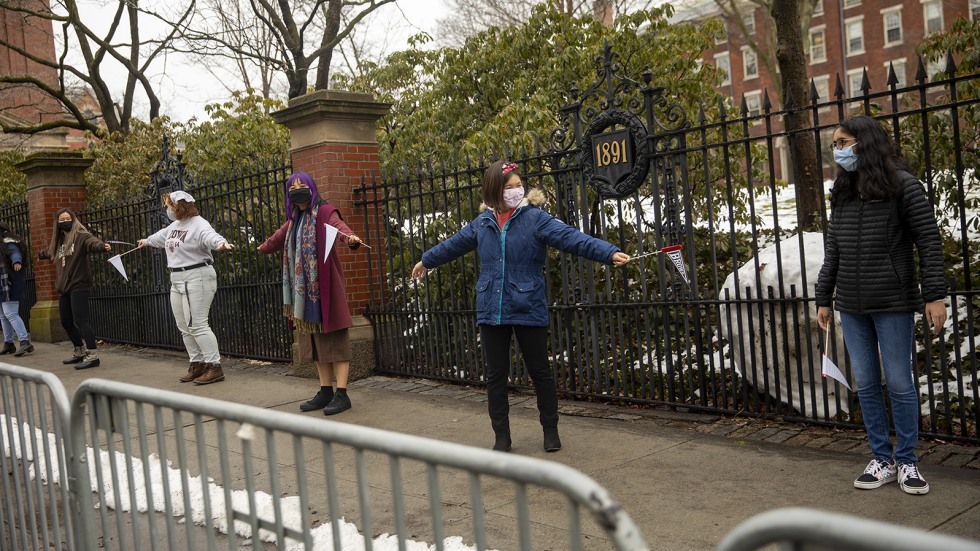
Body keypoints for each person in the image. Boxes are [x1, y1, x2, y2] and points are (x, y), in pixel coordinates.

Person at [412, 161, 630, 453]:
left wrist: (608, 252)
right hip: (492, 307)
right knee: (496, 375)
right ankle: (501, 436)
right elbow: (453, 245)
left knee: (540, 371)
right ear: (494, 191)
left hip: (528, 304)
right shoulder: (483, 223)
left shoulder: (535, 218)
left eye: (519, 185)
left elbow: (572, 239)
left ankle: (550, 430)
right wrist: (427, 260)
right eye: (509, 187)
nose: (517, 191)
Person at [815, 115, 946, 495]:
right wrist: (825, 298)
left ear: (864, 142)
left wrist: (934, 296)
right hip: (853, 305)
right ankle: (882, 459)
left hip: (893, 301)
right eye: (834, 145)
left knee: (900, 383)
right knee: (868, 384)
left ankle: (907, 461)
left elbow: (929, 241)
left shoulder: (903, 186)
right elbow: (833, 251)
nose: (837, 151)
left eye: (842, 143)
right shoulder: (841, 192)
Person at [258, 172, 363, 415]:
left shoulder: (325, 212)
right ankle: (325, 391)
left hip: (325, 286)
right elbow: (278, 237)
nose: (297, 190)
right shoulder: (295, 218)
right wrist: (263, 247)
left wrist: (351, 239)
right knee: (315, 341)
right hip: (303, 291)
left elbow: (340, 229)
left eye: (302, 186)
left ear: (312, 188)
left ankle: (342, 394)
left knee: (335, 338)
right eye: (292, 187)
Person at [138, 191, 234, 385]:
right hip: (177, 277)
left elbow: (210, 237)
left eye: (169, 205)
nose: (167, 209)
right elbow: (159, 238)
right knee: (184, 326)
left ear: (179, 205)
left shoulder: (199, 224)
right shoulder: (175, 226)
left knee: (197, 324)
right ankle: (197, 363)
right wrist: (146, 241)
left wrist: (221, 244)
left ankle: (214, 366)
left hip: (197, 275)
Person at [38, 209, 112, 369]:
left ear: (73, 220)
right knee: (65, 321)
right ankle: (79, 350)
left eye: (68, 218)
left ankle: (93, 355)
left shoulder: (81, 236)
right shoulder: (58, 242)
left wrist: (102, 246)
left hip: (79, 285)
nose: (65, 221)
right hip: (64, 287)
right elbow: (48, 252)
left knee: (81, 320)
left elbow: (93, 243)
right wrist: (40, 254)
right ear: (58, 223)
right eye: (62, 219)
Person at [1, 221, 32, 357]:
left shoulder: (8, 242)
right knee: (3, 316)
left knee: (11, 314)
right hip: (2, 286)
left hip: (10, 284)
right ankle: (8, 343)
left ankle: (24, 341)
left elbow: (14, 253)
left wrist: (16, 262)